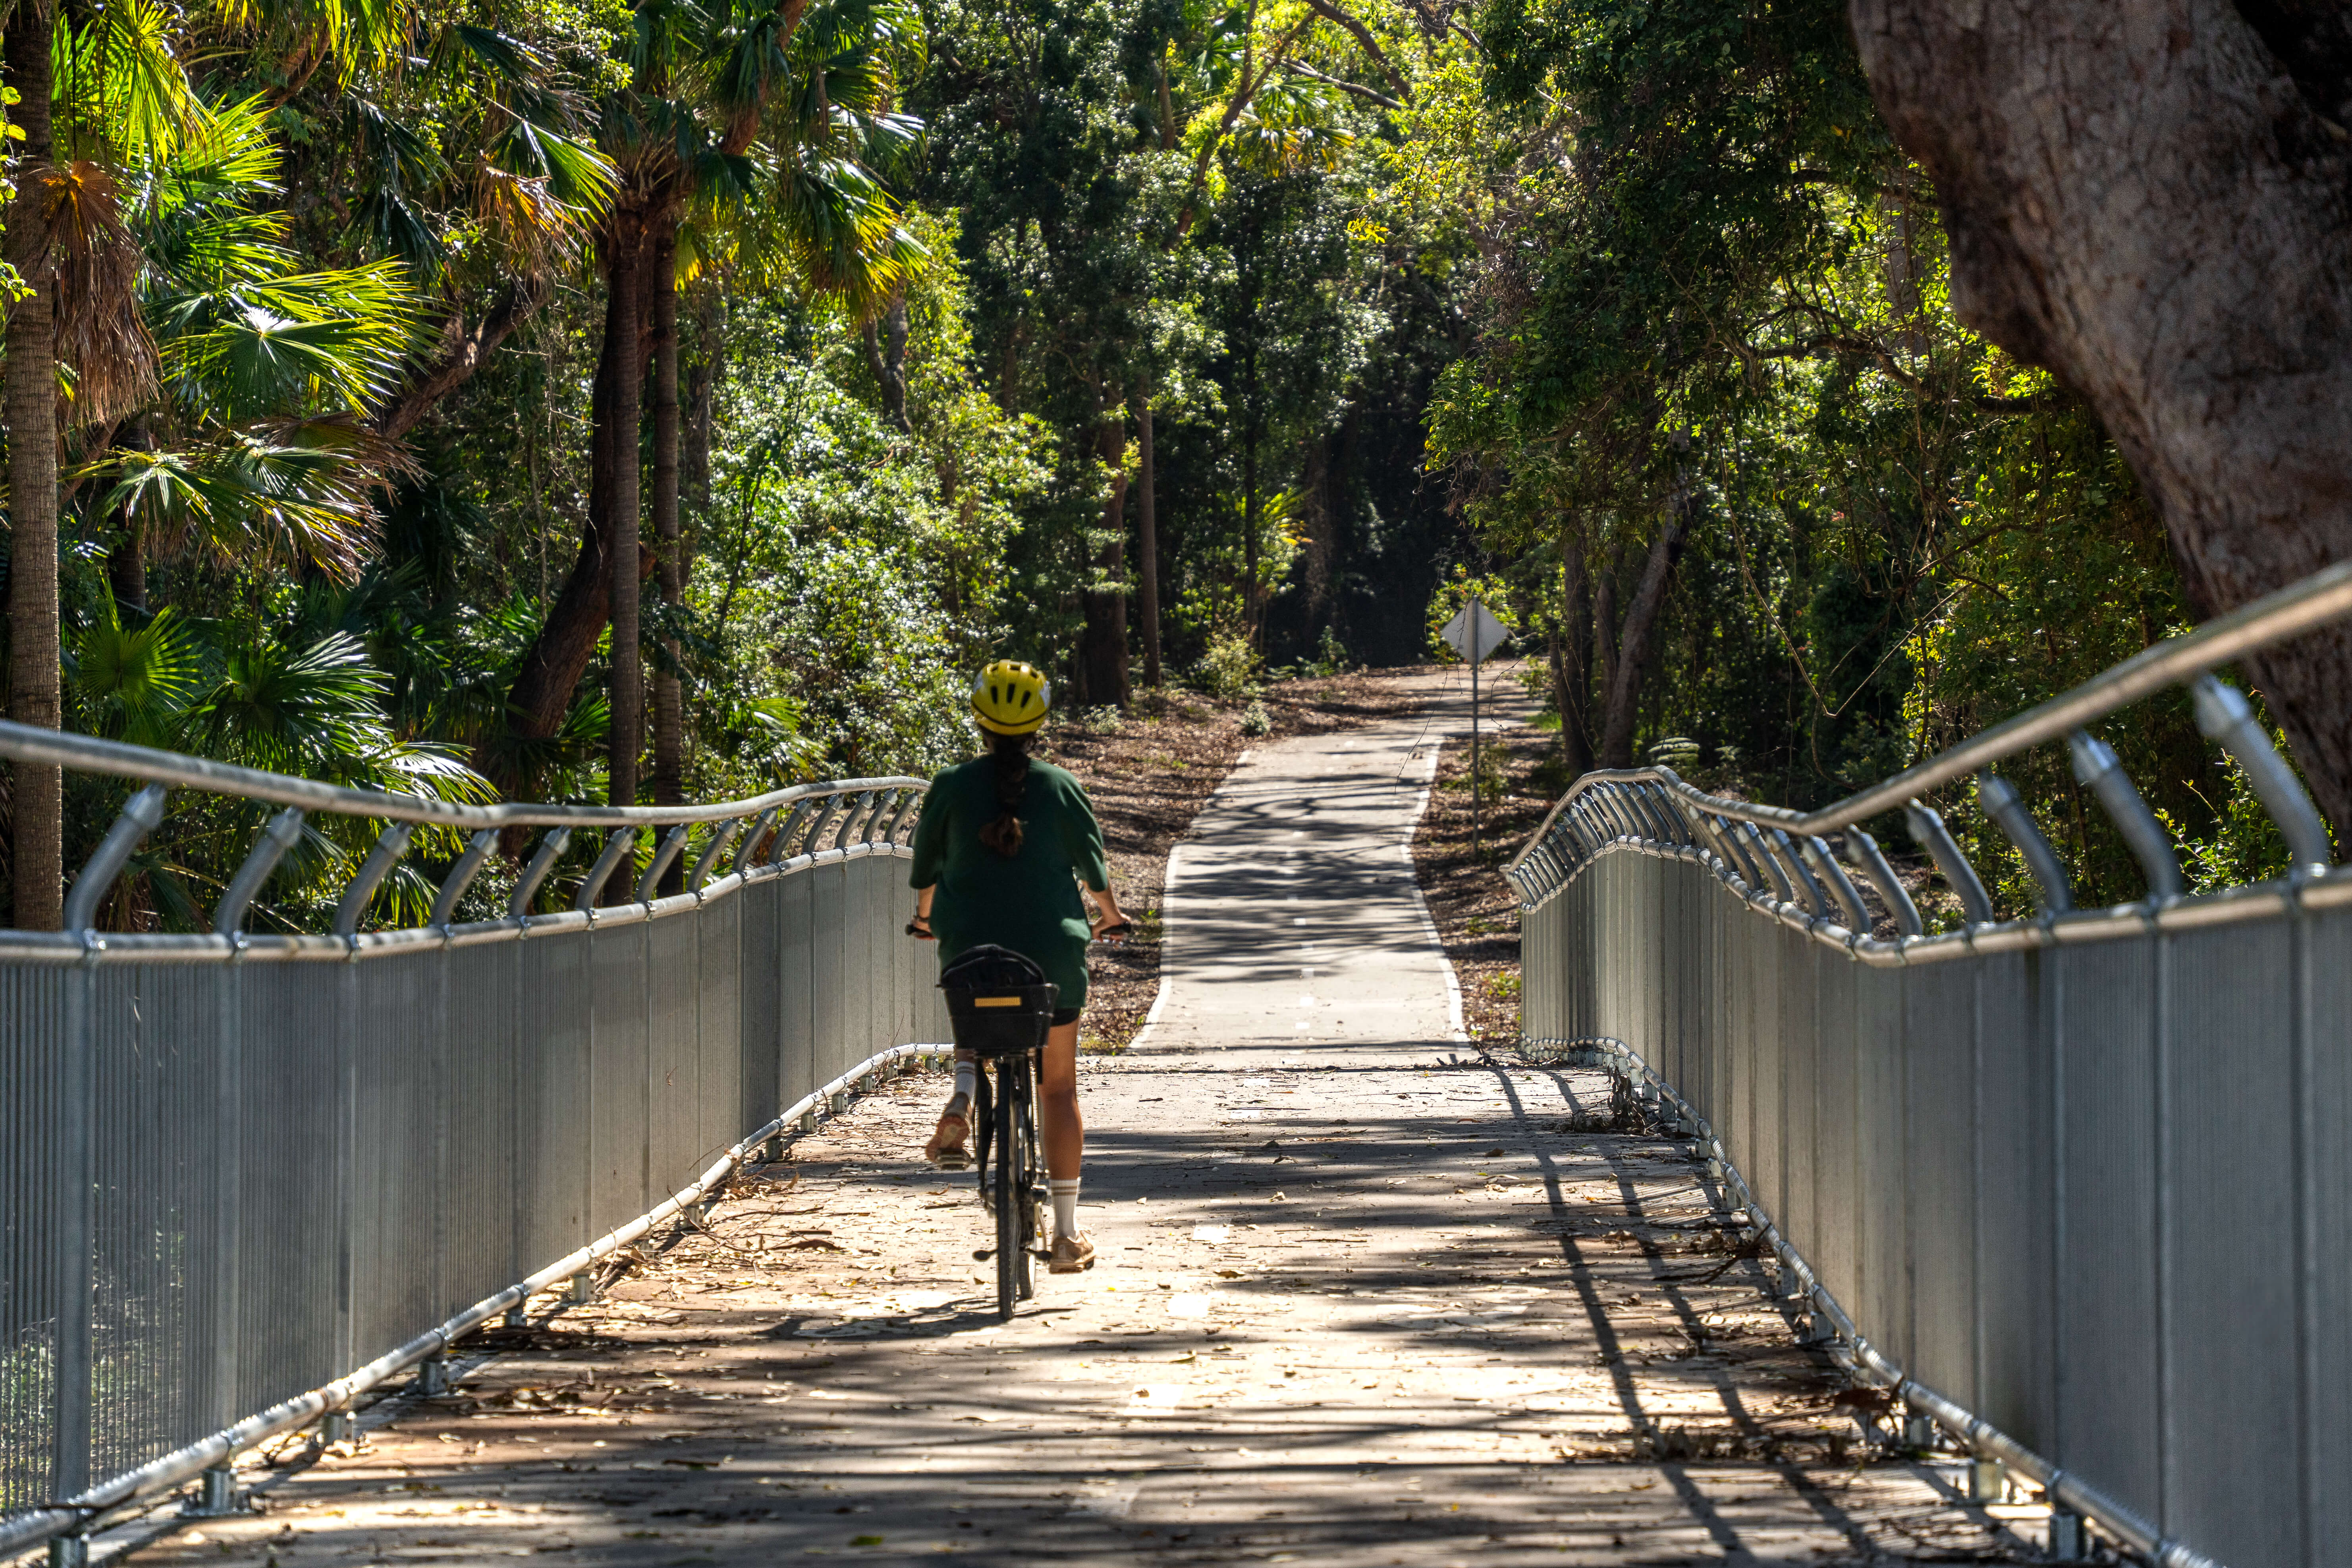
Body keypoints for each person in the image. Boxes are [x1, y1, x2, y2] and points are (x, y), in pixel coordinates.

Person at [907, 660, 1129, 1274]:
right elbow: (1095, 871)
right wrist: (1110, 915)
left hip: (973, 956)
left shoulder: (950, 785)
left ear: (979, 719)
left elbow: (925, 873)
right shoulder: (1060, 787)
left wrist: (927, 917)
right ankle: (1065, 1232)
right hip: (1050, 960)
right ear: (1042, 721)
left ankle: (963, 1091)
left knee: (974, 1003)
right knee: (1056, 1086)